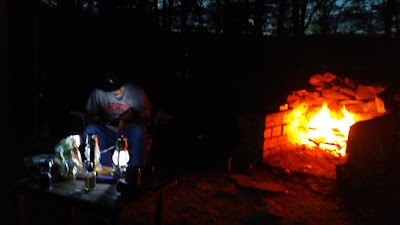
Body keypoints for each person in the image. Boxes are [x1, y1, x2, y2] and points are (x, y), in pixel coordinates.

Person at [82, 69, 152, 169]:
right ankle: (107, 168)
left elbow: (146, 117)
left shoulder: (135, 92)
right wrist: (104, 121)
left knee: (139, 131)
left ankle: (136, 170)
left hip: (127, 131)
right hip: (107, 131)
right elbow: (89, 115)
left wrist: (125, 124)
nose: (114, 90)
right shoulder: (99, 92)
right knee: (90, 131)